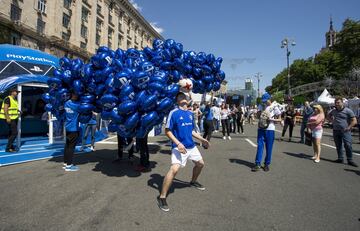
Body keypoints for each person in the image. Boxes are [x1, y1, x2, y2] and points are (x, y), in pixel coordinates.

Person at [157, 92, 210, 212]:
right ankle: (162, 196)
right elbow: (167, 131)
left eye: (184, 96)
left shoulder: (190, 114)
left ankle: (193, 181)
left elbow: (191, 131)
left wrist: (202, 139)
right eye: (179, 97)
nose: (183, 98)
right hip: (179, 147)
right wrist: (178, 143)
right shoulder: (174, 113)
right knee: (174, 169)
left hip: (191, 146)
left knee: (200, 164)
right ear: (177, 101)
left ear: (187, 99)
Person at [252, 93, 282, 172]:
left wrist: (271, 119)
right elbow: (257, 116)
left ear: (269, 99)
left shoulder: (274, 106)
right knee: (260, 146)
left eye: (266, 101)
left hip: (270, 129)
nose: (264, 102)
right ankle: (257, 164)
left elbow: (280, 119)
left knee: (269, 147)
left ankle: (266, 164)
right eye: (263, 101)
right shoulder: (261, 106)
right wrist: (259, 113)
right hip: (261, 128)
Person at [328, 98, 358, 167]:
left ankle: (350, 160)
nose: (336, 104)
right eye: (335, 102)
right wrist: (331, 121)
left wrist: (349, 127)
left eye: (338, 102)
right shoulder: (333, 111)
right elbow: (328, 116)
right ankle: (340, 158)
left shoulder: (348, 111)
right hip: (336, 130)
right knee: (338, 145)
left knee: (348, 145)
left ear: (342, 103)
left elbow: (354, 121)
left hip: (345, 131)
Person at [63, 92, 81, 171]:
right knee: (71, 147)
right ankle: (69, 166)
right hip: (73, 128)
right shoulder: (76, 105)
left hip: (67, 127)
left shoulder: (66, 103)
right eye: (75, 94)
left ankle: (65, 163)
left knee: (67, 145)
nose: (77, 95)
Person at [0, 88, 21, 152]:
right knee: (14, 133)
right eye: (16, 92)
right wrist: (7, 118)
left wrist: (18, 111)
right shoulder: (8, 98)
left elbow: (13, 108)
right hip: (10, 118)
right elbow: (5, 109)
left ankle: (10, 147)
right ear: (12, 92)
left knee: (11, 132)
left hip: (14, 118)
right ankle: (8, 148)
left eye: (17, 92)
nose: (17, 93)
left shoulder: (15, 99)